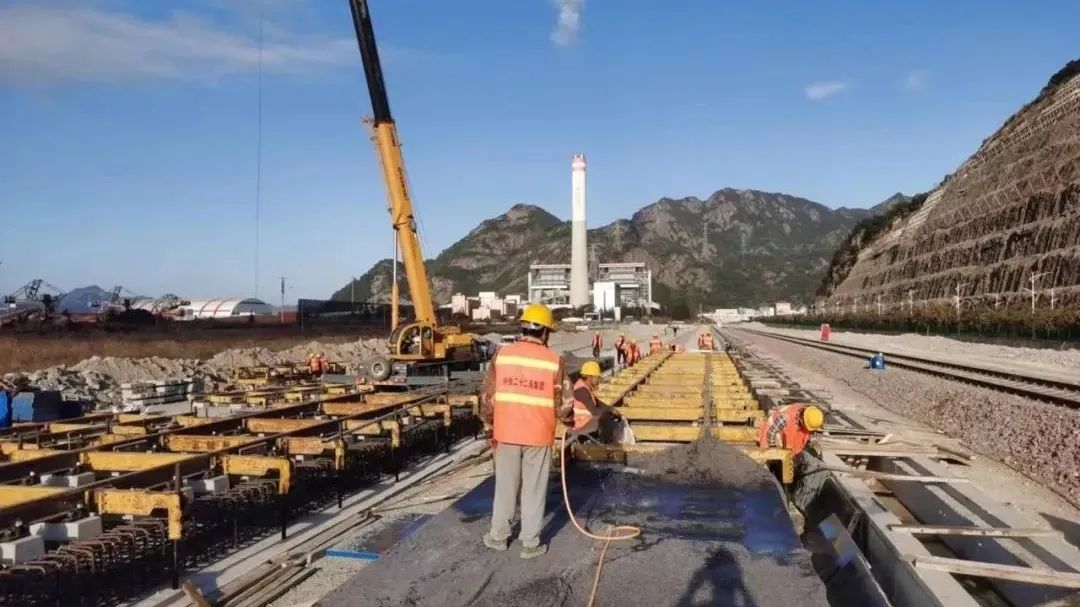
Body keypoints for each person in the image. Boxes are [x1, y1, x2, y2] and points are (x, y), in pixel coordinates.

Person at [481, 303, 573, 559]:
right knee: (533, 490)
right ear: (545, 332)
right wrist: (569, 420)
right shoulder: (555, 361)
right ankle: (530, 543)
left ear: (523, 328)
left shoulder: (502, 355)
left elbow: (488, 397)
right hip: (538, 435)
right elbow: (565, 403)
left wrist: (489, 425)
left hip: (506, 432)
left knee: (505, 487)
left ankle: (498, 536)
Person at [570, 361, 634, 444]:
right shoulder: (581, 390)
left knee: (608, 415)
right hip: (580, 426)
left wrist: (612, 409)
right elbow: (594, 411)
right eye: (597, 377)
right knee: (604, 417)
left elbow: (598, 402)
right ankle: (601, 443)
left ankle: (601, 440)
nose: (599, 379)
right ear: (590, 377)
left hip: (585, 423)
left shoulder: (585, 387)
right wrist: (610, 412)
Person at [758, 403, 825, 457]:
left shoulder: (807, 415)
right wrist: (774, 451)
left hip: (787, 445)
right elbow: (771, 433)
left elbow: (808, 437)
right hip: (770, 436)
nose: (811, 432)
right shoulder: (786, 418)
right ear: (803, 421)